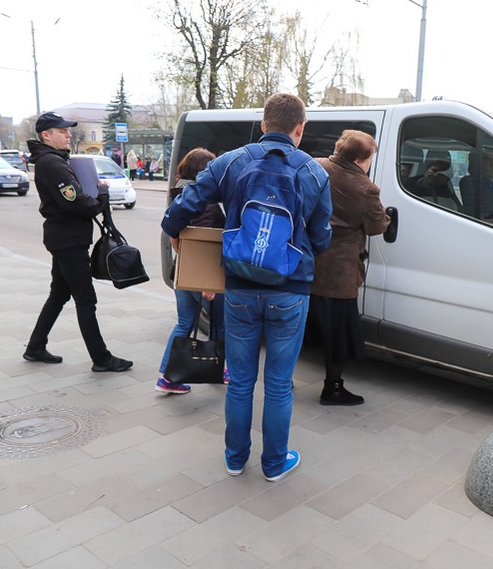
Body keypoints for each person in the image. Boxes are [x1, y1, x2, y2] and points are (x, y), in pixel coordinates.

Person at [161, 93, 332, 483]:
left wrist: (175, 234)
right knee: (279, 384)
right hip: (290, 290)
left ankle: (235, 459)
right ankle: (274, 464)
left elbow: (184, 206)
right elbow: (322, 238)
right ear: (300, 128)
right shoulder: (314, 172)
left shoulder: (231, 162)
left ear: (263, 124)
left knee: (240, 382)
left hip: (239, 285)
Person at [23, 112, 132, 373]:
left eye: (68, 131)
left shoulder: (54, 160)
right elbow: (74, 201)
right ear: (46, 135)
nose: (68, 134)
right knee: (86, 300)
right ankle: (101, 359)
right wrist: (101, 199)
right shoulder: (52, 163)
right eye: (62, 131)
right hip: (68, 241)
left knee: (59, 294)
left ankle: (35, 347)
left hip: (64, 238)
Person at [307, 130, 390, 406]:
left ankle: (282, 380)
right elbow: (376, 226)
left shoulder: (315, 166)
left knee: (298, 328)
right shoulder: (365, 188)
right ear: (358, 160)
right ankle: (332, 388)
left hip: (307, 264)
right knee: (337, 335)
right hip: (338, 272)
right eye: (369, 159)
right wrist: (387, 218)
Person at [156, 147, 226, 394]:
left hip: (182, 271)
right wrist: (207, 281)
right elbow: (202, 242)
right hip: (202, 275)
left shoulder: (178, 194)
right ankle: (217, 368)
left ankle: (167, 376)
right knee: (218, 325)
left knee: (184, 323)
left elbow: (175, 236)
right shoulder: (206, 202)